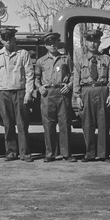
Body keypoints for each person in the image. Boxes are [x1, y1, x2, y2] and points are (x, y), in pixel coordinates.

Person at [0, 26, 35, 162]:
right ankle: (11, 152)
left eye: (10, 39)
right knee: (8, 124)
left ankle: (25, 153)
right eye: (5, 39)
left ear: (14, 39)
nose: (8, 42)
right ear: (2, 41)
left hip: (19, 93)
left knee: (22, 124)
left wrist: (28, 93)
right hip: (4, 93)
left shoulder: (23, 54)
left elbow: (29, 75)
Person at [73, 29, 110, 162]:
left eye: (95, 41)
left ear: (99, 42)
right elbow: (76, 78)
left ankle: (103, 153)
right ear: (85, 42)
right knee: (87, 124)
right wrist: (78, 96)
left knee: (103, 123)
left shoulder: (106, 59)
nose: (92, 44)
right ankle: (89, 153)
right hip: (86, 92)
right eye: (90, 41)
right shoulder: (80, 60)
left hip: (102, 90)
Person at [34, 32, 76, 162]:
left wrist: (69, 86)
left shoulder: (65, 59)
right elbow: (36, 78)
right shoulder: (41, 61)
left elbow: (74, 74)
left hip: (62, 93)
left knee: (64, 123)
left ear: (58, 43)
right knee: (48, 124)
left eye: (54, 43)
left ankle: (66, 153)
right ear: (46, 46)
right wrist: (39, 87)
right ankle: (50, 153)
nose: (52, 46)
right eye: (49, 44)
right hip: (47, 94)